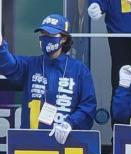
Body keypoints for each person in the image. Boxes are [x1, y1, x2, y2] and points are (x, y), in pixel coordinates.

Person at [0, 14, 97, 144]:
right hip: (30, 142)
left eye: (50, 35)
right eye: (43, 34)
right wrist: (1, 47)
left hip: (65, 143)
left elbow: (88, 106)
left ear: (63, 38)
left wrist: (70, 123)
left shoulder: (79, 70)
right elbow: (10, 65)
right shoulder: (31, 65)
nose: (45, 38)